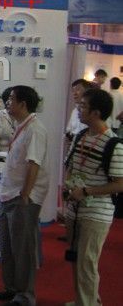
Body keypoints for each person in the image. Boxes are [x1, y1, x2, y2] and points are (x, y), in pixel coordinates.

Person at [64, 88, 123, 306]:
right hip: (75, 207)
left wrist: (86, 191)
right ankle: (86, 300)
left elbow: (120, 183)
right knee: (76, 257)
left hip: (97, 211)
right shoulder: (81, 136)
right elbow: (70, 165)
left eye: (83, 106)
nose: (78, 109)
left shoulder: (114, 145)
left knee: (86, 262)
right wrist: (69, 185)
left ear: (96, 113)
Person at [0, 86, 49, 306]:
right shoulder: (21, 126)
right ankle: (12, 288)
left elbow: (34, 164)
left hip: (22, 197)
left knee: (22, 248)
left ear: (23, 104)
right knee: (7, 246)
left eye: (11, 100)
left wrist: (25, 194)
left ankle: (25, 295)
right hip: (9, 194)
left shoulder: (35, 129)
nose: (7, 103)